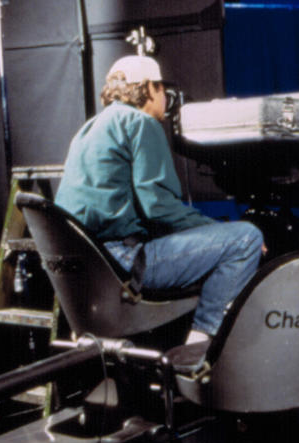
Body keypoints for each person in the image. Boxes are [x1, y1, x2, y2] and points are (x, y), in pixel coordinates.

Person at [55, 55, 264, 343]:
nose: (165, 97)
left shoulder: (88, 129)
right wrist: (211, 227)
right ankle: (201, 346)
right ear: (148, 89)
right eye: (162, 89)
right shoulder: (140, 123)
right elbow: (158, 207)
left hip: (87, 270)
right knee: (245, 238)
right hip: (123, 263)